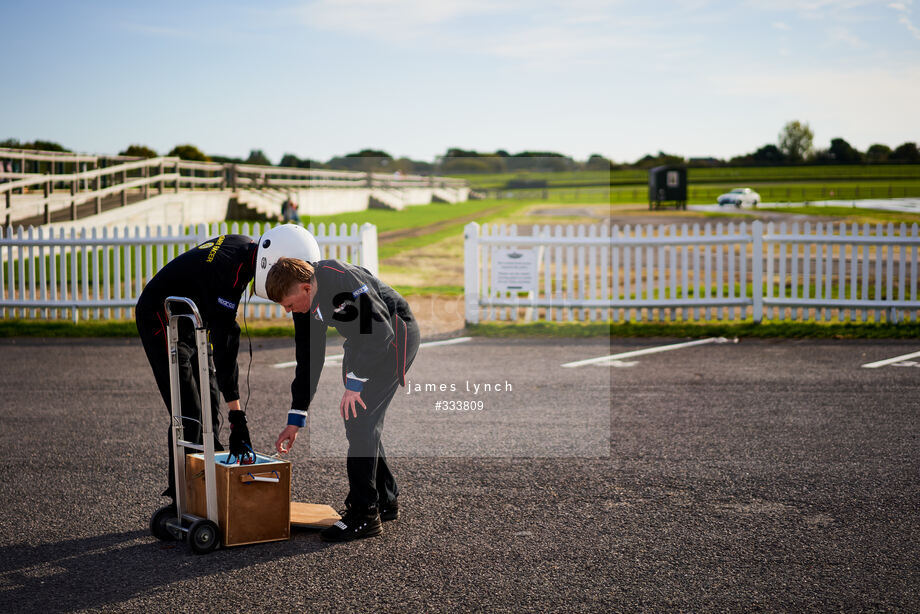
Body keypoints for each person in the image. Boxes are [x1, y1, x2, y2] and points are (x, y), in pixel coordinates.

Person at [261, 257, 420, 542]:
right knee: (361, 421)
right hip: (362, 342)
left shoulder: (339, 279)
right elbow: (310, 361)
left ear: (307, 288)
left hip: (394, 335)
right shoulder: (305, 302)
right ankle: (386, 499)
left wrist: (356, 383)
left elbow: (381, 330)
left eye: (288, 304)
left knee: (359, 420)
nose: (287, 311)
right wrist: (296, 417)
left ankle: (364, 514)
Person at [135, 234, 258, 505]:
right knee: (189, 413)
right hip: (160, 317)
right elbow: (227, 348)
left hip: (193, 318)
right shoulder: (229, 275)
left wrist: (233, 415)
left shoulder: (244, 245)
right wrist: (238, 416)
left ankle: (208, 491)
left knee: (211, 406)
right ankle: (182, 498)